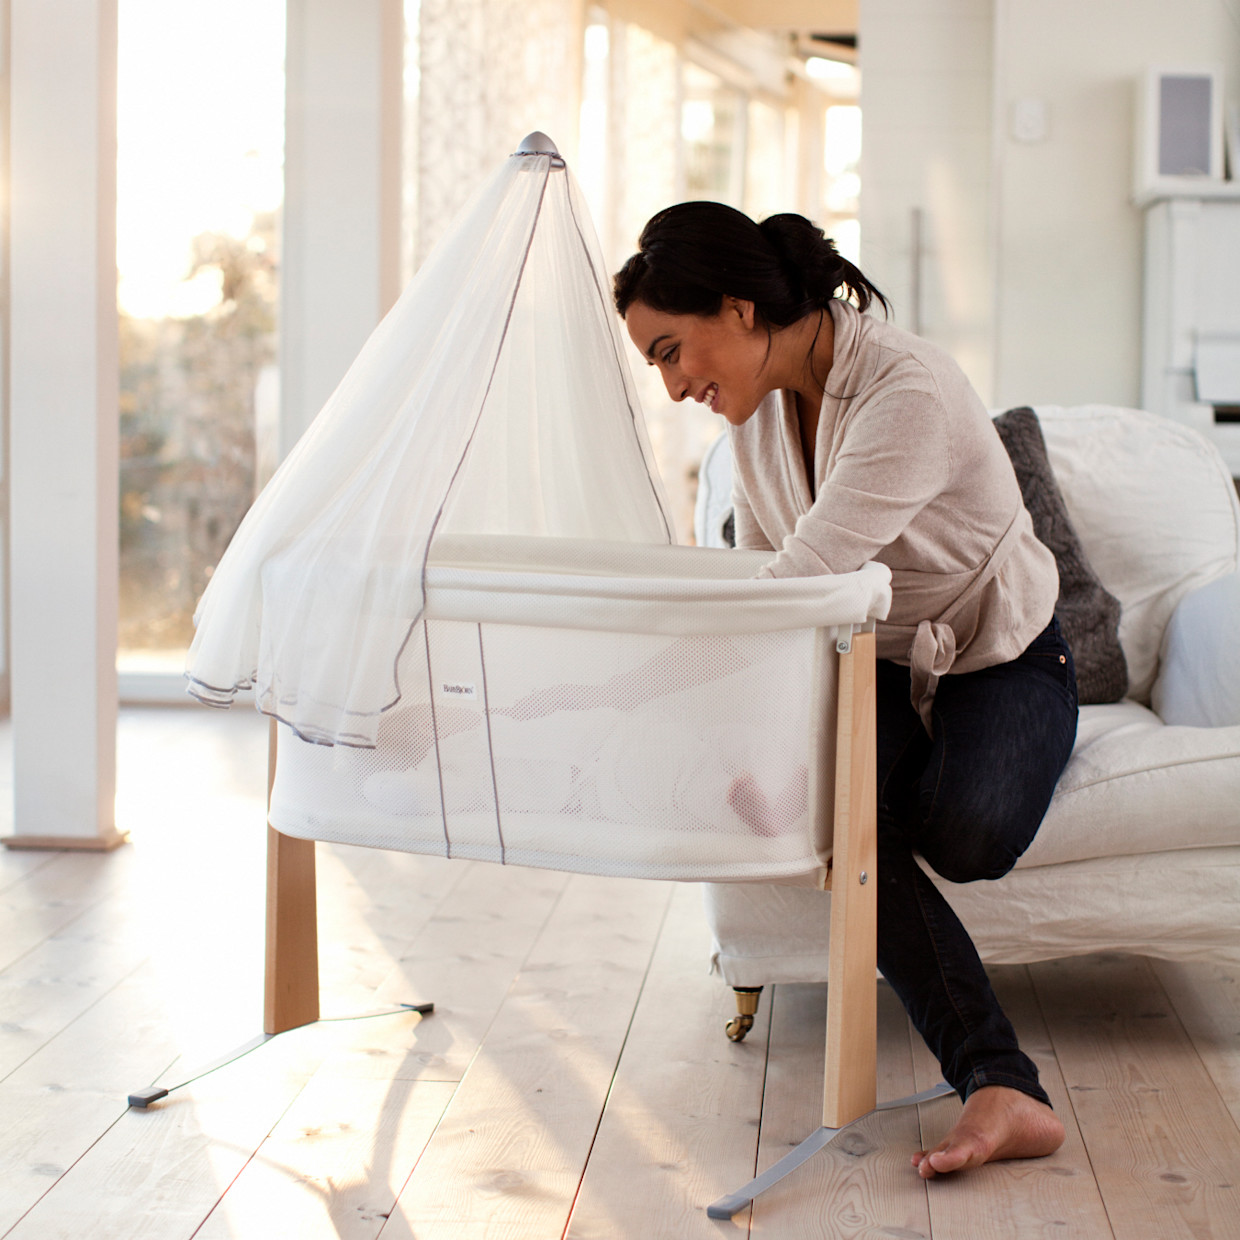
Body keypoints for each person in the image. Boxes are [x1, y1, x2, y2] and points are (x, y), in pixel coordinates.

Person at [613, 201, 1078, 1180]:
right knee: (832, 812)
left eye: (669, 349)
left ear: (739, 309)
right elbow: (771, 591)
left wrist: (625, 681)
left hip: (1000, 655)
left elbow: (798, 585)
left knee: (964, 832)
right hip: (874, 665)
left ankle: (862, 817)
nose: (669, 385)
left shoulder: (904, 390)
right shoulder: (751, 431)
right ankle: (998, 1082)